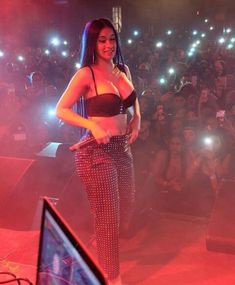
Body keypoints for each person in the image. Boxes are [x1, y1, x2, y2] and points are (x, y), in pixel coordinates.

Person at [56, 18, 140, 285]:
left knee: (124, 209)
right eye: (102, 40)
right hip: (95, 152)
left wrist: (137, 118)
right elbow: (61, 109)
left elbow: (133, 103)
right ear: (92, 42)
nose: (108, 45)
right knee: (108, 219)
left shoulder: (123, 69)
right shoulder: (86, 74)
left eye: (111, 39)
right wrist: (91, 124)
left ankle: (100, 242)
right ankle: (112, 278)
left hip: (121, 148)